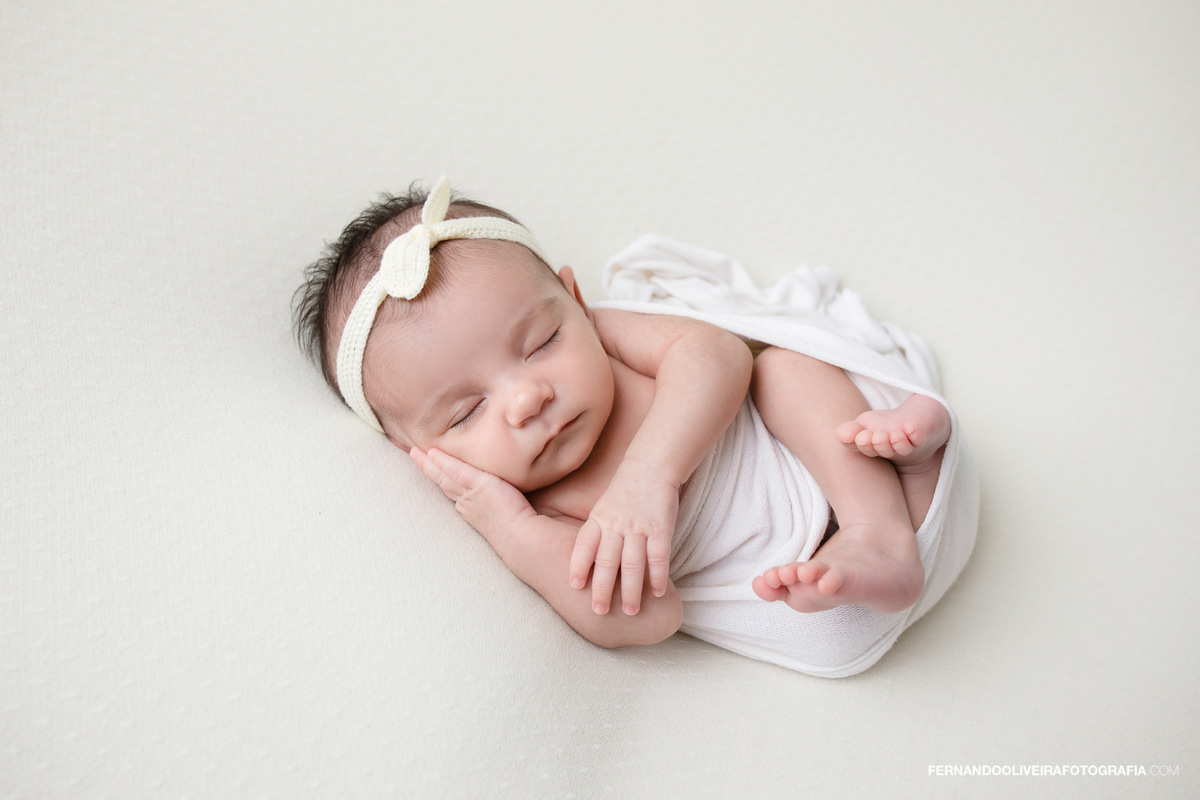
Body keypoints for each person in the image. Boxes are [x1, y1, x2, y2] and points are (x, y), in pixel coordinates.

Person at [294, 177, 957, 656]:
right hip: (821, 598)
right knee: (804, 409)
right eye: (469, 411)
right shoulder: (540, 507)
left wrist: (649, 478)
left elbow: (716, 353)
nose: (528, 399)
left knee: (785, 369)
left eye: (541, 343)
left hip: (864, 490)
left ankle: (889, 513)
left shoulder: (607, 335)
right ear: (420, 453)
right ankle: (900, 494)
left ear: (575, 299)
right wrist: (514, 531)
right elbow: (648, 617)